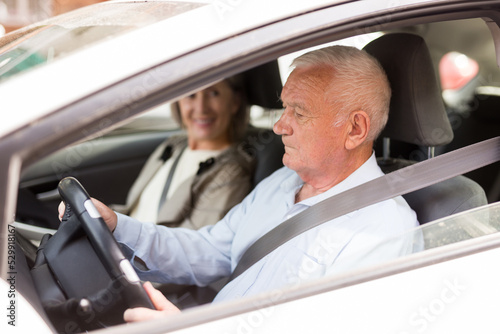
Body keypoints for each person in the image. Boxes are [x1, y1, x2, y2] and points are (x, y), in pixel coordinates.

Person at [60, 45, 419, 322]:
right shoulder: (282, 182)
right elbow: (209, 250)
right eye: (283, 108)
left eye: (299, 111)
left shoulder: (384, 231)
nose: (279, 126)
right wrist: (118, 228)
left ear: (354, 129)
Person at [114, 75, 256, 229]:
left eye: (213, 93)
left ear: (235, 102)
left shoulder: (232, 172)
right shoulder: (172, 146)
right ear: (178, 102)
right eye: (190, 94)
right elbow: (135, 210)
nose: (201, 108)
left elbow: (190, 247)